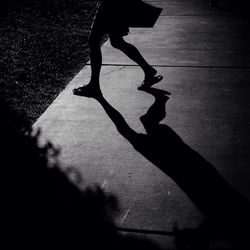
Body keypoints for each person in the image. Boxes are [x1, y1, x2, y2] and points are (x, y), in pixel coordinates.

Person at [73, 0, 163, 96]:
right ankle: (148, 70)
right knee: (117, 41)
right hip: (118, 5)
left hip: (110, 5)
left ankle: (94, 85)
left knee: (94, 40)